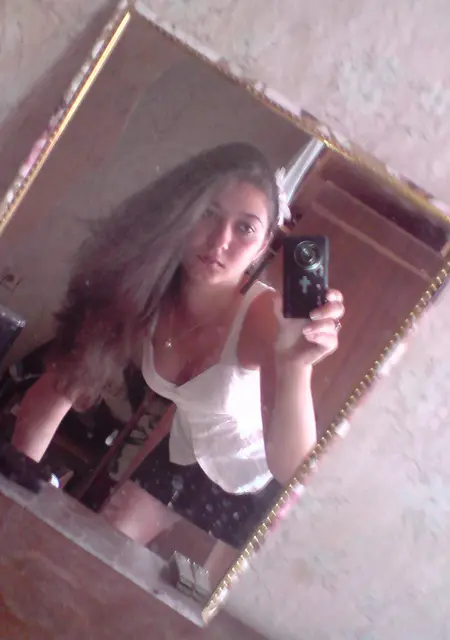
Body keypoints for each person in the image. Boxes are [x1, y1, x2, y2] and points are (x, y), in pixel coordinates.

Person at [11, 143, 344, 549]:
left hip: (258, 478)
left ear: (263, 244)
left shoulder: (262, 318)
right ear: (181, 212)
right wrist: (15, 492)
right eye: (208, 213)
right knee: (102, 543)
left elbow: (293, 469)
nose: (220, 241)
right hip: (186, 451)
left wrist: (295, 365)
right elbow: (60, 386)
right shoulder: (142, 289)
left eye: (245, 228)